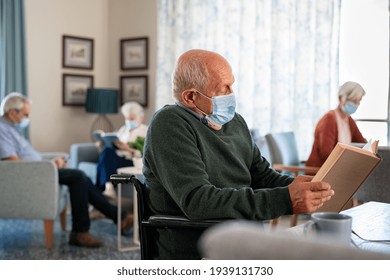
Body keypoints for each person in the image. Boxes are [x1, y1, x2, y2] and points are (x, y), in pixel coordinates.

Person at [142, 49, 335, 259]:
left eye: (232, 84)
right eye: (224, 88)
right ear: (190, 97)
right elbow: (198, 201)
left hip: (245, 238)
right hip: (200, 248)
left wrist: (305, 186)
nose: (232, 93)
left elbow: (262, 176)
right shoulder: (170, 123)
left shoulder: (235, 122)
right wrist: (286, 199)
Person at [0, 93, 133, 248]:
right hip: (32, 174)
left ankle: (116, 219)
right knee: (78, 177)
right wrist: (49, 166)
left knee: (81, 179)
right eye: (26, 114)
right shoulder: (2, 130)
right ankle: (82, 232)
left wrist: (51, 163)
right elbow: (12, 162)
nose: (28, 117)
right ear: (12, 113)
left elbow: (24, 156)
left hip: (38, 170)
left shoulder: (11, 128)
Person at [306, 81, 367, 167]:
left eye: (358, 102)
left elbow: (361, 142)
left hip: (336, 167)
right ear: (341, 98)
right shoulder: (329, 119)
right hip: (319, 171)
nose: (356, 105)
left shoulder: (348, 120)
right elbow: (326, 154)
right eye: (353, 101)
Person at [96, 102, 148, 190]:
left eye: (131, 119)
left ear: (140, 118)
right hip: (116, 156)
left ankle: (103, 188)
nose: (129, 121)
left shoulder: (145, 131)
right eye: (127, 119)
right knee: (106, 151)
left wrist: (129, 149)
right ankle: (107, 188)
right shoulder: (123, 129)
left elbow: (144, 152)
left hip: (130, 160)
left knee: (106, 155)